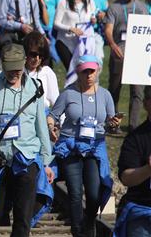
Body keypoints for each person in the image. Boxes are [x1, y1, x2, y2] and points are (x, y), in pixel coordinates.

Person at [0, 44, 55, 237]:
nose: (14, 73)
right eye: (10, 69)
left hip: (26, 159)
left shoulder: (35, 89)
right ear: (2, 66)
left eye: (18, 69)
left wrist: (46, 162)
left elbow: (41, 127)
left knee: (23, 218)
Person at [48, 56, 120, 237]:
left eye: (92, 71)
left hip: (94, 147)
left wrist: (115, 123)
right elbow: (53, 115)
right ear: (78, 72)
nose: (88, 75)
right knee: (75, 192)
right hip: (71, 147)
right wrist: (51, 127)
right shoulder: (68, 94)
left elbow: (112, 122)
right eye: (84, 71)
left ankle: (89, 224)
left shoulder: (105, 95)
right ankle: (78, 232)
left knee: (94, 193)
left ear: (97, 71)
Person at [105, 0, 149, 131]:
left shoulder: (142, 7)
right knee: (114, 90)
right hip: (120, 54)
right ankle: (113, 124)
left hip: (138, 55)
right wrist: (113, 45)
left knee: (137, 93)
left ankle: (133, 126)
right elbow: (108, 30)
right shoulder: (114, 8)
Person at [115, 87, 151, 237]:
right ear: (146, 104)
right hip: (142, 206)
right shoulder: (135, 138)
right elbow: (126, 178)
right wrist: (148, 169)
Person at [54, 0, 98, 70]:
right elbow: (56, 24)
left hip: (82, 43)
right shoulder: (63, 2)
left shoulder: (90, 2)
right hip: (65, 42)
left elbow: (93, 18)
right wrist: (70, 28)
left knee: (83, 72)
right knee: (72, 71)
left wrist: (94, 20)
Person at [24, 31, 59, 110]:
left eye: (41, 55)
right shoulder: (18, 71)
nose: (37, 59)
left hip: (43, 115)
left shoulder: (47, 72)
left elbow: (56, 102)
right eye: (33, 54)